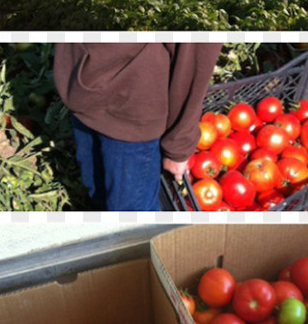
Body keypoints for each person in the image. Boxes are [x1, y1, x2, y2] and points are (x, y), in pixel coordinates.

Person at [53, 43, 223, 211]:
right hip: (106, 97)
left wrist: (179, 143)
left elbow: (195, 49)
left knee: (117, 206)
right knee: (108, 200)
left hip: (113, 98)